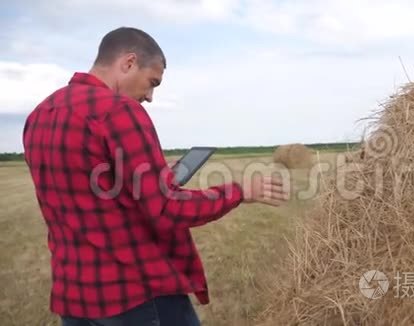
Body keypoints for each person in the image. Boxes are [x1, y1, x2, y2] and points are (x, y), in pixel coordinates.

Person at [22, 27, 289, 326]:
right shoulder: (118, 111)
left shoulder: (40, 114)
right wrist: (241, 191)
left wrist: (153, 169)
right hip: (135, 296)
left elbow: (89, 188)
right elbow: (166, 208)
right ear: (128, 63)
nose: (149, 97)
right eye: (152, 83)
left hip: (74, 298)